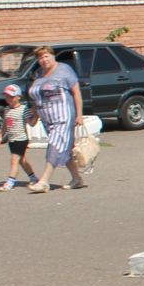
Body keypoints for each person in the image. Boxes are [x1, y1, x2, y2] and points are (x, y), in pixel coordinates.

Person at [26, 46, 86, 192]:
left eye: (46, 56)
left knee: (55, 146)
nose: (44, 60)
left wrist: (79, 114)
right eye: (40, 58)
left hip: (63, 116)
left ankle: (44, 182)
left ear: (53, 56)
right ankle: (77, 179)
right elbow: (38, 97)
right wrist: (34, 113)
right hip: (47, 119)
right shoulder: (39, 74)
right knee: (64, 148)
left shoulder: (64, 70)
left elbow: (76, 93)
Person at [0, 84, 39, 192]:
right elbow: (5, 124)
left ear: (18, 97)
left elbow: (31, 123)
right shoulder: (7, 109)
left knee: (14, 160)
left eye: (11, 96)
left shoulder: (23, 109)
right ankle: (33, 178)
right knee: (22, 161)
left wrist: (36, 116)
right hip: (12, 139)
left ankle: (10, 182)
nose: (8, 99)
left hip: (21, 139)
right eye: (7, 96)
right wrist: (0, 136)